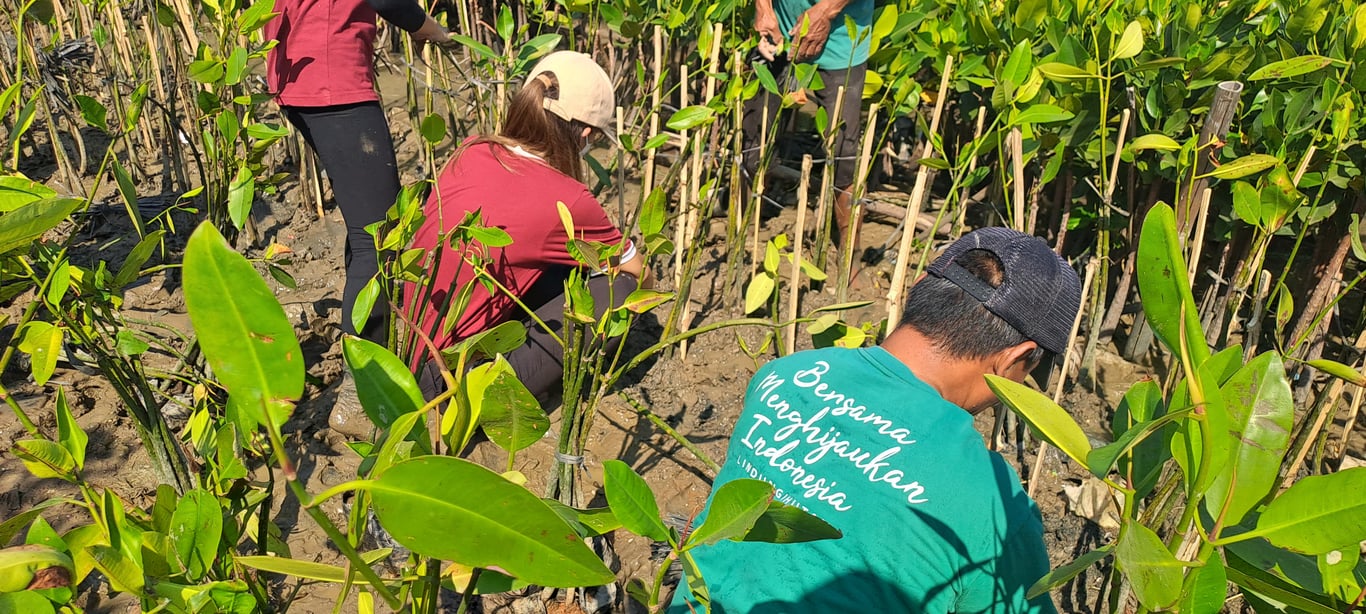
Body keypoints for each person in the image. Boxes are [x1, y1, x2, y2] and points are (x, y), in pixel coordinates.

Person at [670, 228, 1080, 612]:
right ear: (1014, 358)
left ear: (917, 288)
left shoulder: (784, 375)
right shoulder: (994, 505)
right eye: (1026, 373)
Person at [405, 51, 648, 407]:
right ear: (584, 132)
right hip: (449, 385)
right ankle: (484, 401)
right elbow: (639, 275)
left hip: (407, 351)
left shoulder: (472, 149)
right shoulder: (570, 198)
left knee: (556, 265)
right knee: (621, 292)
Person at [265, 0, 449, 436]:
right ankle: (360, 396)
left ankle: (368, 367)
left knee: (366, 226)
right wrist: (427, 28)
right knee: (378, 241)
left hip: (299, 71)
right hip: (333, 78)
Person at [745, 0, 874, 252]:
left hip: (841, 45)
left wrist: (825, 11)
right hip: (778, 34)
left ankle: (851, 257)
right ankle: (744, 230)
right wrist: (764, 9)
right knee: (753, 143)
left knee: (844, 157)